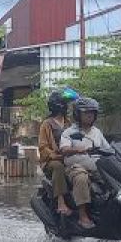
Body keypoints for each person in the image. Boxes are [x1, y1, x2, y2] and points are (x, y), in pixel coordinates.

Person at [60, 97, 111, 230]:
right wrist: (77, 149)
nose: (90, 115)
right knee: (81, 177)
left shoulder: (97, 132)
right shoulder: (69, 132)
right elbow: (64, 150)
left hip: (97, 168)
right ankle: (83, 216)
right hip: (76, 167)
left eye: (92, 112)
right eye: (86, 112)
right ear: (78, 114)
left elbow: (108, 149)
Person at [38, 89, 76, 217]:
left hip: (68, 157)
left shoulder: (69, 123)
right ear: (59, 106)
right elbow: (43, 146)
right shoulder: (46, 124)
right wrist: (53, 155)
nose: (68, 107)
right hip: (52, 161)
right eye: (65, 104)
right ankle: (61, 202)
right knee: (58, 167)